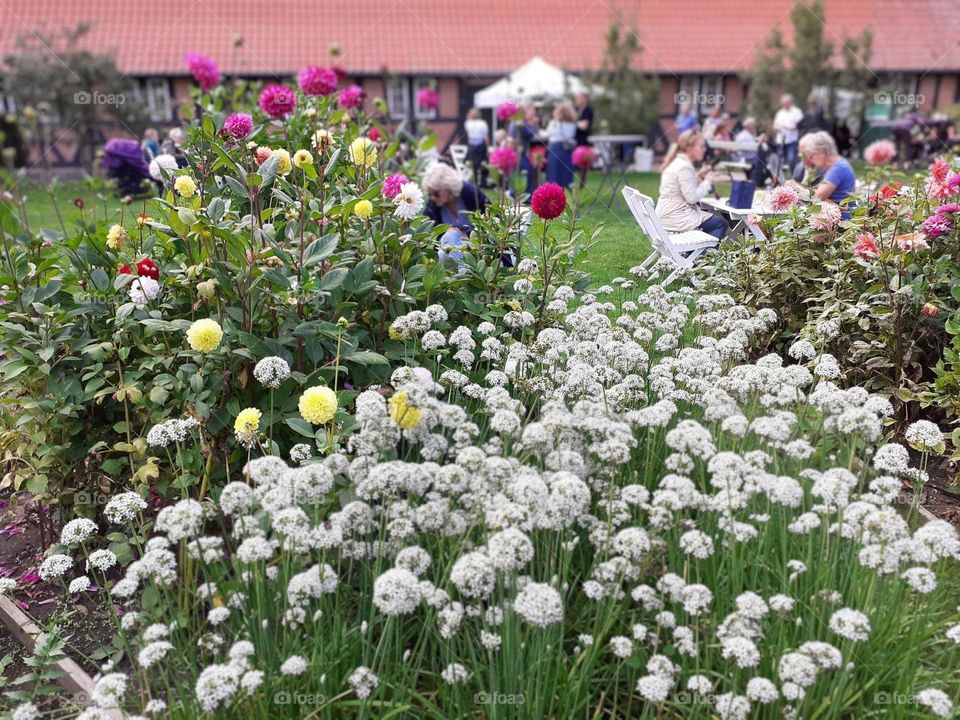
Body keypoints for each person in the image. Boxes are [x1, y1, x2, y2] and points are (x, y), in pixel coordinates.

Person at [656, 130, 728, 240]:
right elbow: (691, 198)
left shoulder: (679, 162)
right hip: (676, 217)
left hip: (667, 214)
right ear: (689, 148)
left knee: (712, 220)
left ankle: (694, 251)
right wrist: (707, 182)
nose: (704, 150)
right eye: (701, 147)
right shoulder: (684, 167)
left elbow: (683, 186)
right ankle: (699, 255)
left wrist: (699, 176)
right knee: (720, 224)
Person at [423, 162, 490, 264]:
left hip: (476, 249)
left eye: (436, 193)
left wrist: (465, 236)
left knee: (452, 236)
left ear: (447, 187)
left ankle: (461, 274)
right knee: (450, 237)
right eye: (430, 194)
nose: (433, 198)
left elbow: (492, 218)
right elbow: (427, 233)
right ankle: (462, 274)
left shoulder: (471, 194)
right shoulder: (433, 207)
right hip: (448, 251)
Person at [798, 131, 856, 216]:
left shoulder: (838, 168)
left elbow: (817, 197)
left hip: (841, 221)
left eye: (811, 156)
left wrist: (797, 188)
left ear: (821, 152)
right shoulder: (837, 164)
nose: (811, 160)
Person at [543, 103, 577, 189]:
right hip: (567, 151)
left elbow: (547, 134)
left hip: (554, 149)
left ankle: (553, 197)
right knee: (566, 175)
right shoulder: (572, 124)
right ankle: (567, 197)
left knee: (553, 175)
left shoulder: (554, 123)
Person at [773, 94, 804, 177]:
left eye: (786, 102)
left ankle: (795, 178)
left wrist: (788, 127)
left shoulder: (797, 112)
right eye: (783, 103)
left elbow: (800, 125)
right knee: (779, 161)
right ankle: (779, 178)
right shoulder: (780, 112)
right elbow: (775, 125)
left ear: (790, 102)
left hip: (791, 140)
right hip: (780, 141)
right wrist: (778, 127)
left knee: (792, 160)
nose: (784, 104)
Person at [463, 108, 489, 188]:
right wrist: (487, 147)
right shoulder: (482, 123)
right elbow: (486, 137)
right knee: (484, 163)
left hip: (472, 145)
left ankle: (475, 181)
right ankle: (483, 182)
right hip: (480, 145)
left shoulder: (467, 123)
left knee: (473, 165)